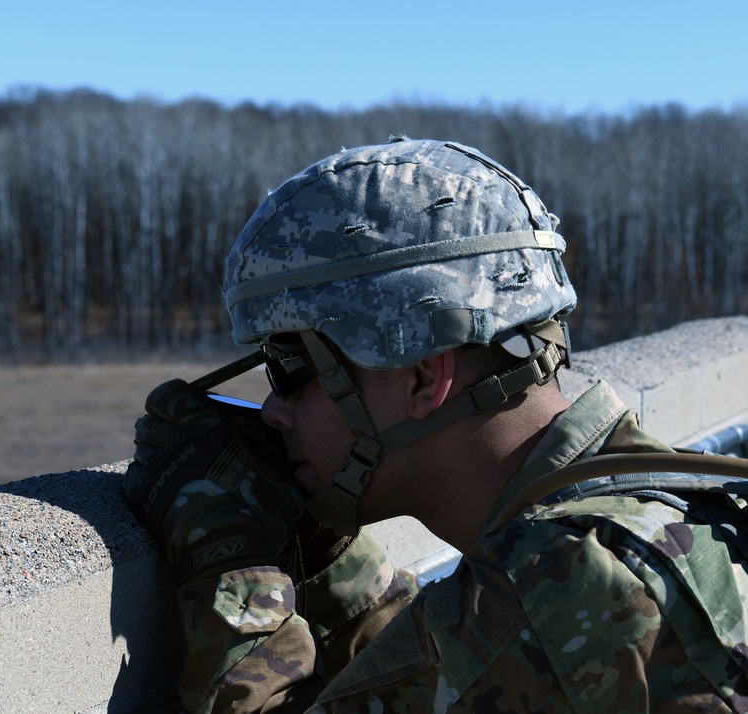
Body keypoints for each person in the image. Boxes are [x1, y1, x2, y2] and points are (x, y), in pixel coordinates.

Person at [124, 138, 748, 712]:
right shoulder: (650, 502)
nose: (271, 410)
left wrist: (228, 555)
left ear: (424, 377)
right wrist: (322, 555)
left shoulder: (566, 585)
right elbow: (442, 680)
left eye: (290, 367)